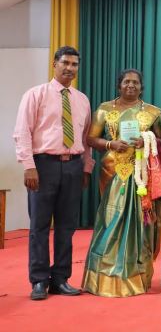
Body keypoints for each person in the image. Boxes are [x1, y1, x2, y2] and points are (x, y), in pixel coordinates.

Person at [14, 46, 94, 300]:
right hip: (43, 166)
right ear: (54, 64)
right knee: (39, 225)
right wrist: (29, 166)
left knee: (66, 227)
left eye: (74, 64)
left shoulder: (82, 100)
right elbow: (22, 132)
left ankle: (60, 279)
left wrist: (86, 167)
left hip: (73, 166)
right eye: (65, 63)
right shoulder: (35, 94)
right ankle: (39, 280)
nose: (69, 68)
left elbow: (85, 138)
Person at [82, 69, 161, 297]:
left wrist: (147, 140)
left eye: (135, 82)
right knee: (110, 220)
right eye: (126, 82)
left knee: (141, 223)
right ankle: (104, 278)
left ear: (141, 86)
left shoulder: (152, 112)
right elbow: (90, 139)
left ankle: (138, 277)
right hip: (113, 172)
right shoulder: (105, 109)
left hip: (142, 175)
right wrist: (111, 144)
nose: (131, 85)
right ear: (119, 85)